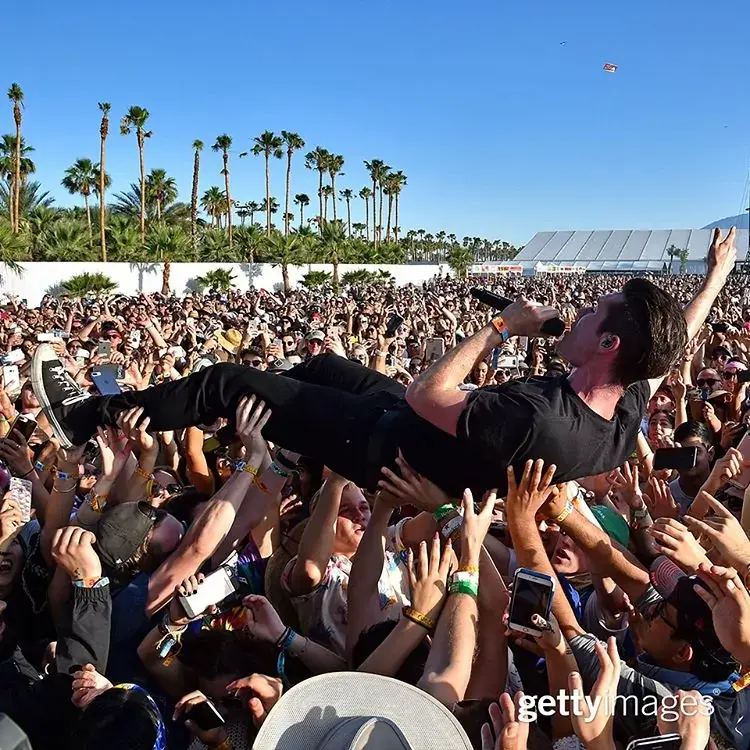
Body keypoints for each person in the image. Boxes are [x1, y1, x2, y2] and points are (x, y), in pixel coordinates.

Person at [30, 230, 737, 501]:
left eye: (593, 313)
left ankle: (83, 418)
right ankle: (260, 427)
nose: (579, 311)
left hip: (385, 446)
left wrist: (503, 325)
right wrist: (714, 276)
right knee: (328, 363)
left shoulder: (535, 415)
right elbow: (680, 337)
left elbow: (431, 391)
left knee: (229, 381)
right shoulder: (625, 404)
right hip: (409, 428)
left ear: (609, 347)